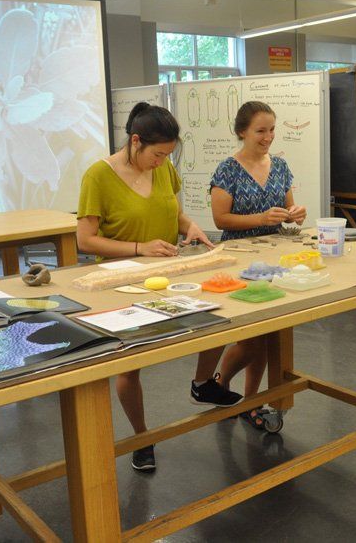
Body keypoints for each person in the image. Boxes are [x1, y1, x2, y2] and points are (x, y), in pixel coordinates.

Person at [77, 102, 241, 472]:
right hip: (121, 283)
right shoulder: (98, 177)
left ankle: (203, 383)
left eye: (168, 154)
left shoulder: (163, 167)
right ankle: (141, 437)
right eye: (157, 154)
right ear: (135, 141)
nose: (162, 162)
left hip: (170, 274)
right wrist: (140, 248)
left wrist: (190, 227)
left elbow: (174, 211)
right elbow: (85, 240)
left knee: (216, 318)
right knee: (131, 363)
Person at [204, 100, 306, 429]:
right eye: (260, 131)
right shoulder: (228, 169)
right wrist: (260, 218)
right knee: (251, 338)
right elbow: (220, 218)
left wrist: (295, 215)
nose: (268, 137)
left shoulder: (280, 166)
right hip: (237, 259)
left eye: (272, 130)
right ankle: (221, 382)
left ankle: (252, 402)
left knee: (268, 333)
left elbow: (289, 213)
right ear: (242, 133)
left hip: (274, 259)